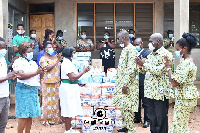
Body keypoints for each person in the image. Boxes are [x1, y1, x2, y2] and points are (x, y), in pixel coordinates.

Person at [135, 33, 173, 133]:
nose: (150, 43)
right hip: (149, 92)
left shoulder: (166, 54)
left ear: (158, 42)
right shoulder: (151, 55)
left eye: (152, 41)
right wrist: (140, 65)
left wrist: (145, 64)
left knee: (161, 118)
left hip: (160, 93)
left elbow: (158, 71)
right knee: (152, 117)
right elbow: (145, 71)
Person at [164, 33, 199, 133]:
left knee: (178, 125)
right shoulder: (190, 60)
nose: (176, 52)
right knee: (182, 124)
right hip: (187, 96)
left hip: (185, 98)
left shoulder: (186, 63)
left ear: (185, 48)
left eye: (177, 49)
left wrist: (168, 68)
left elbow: (175, 83)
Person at [12, 41, 44, 133]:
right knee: (24, 115)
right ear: (23, 53)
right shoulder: (18, 62)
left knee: (30, 115)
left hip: (32, 90)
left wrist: (41, 73)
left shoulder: (33, 63)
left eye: (31, 51)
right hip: (23, 90)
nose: (31, 53)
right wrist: (36, 72)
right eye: (29, 52)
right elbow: (21, 76)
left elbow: (36, 76)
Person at [113, 30, 139, 133]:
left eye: (118, 38)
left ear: (124, 38)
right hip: (122, 83)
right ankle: (126, 127)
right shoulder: (125, 49)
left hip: (127, 85)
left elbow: (131, 69)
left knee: (127, 108)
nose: (118, 40)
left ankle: (131, 130)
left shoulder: (131, 50)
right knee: (123, 107)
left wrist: (126, 85)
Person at [59, 47, 90, 133]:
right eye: (73, 53)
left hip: (71, 87)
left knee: (71, 108)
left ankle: (70, 129)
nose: (74, 55)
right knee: (67, 110)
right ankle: (67, 130)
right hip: (67, 88)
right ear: (69, 54)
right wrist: (83, 71)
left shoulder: (69, 63)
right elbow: (72, 77)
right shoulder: (66, 64)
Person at [39, 41, 61, 126]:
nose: (52, 48)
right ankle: (45, 119)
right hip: (47, 82)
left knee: (55, 102)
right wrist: (57, 61)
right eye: (49, 47)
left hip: (55, 81)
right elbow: (47, 68)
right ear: (45, 49)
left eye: (52, 47)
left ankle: (55, 119)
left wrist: (57, 60)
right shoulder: (43, 58)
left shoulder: (55, 57)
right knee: (47, 101)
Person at [0, 37, 18, 133]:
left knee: (3, 124)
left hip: (5, 95)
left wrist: (10, 66)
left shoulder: (2, 59)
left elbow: (3, 71)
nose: (4, 50)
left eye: (5, 47)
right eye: (1, 48)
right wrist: (7, 77)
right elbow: (5, 76)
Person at [133, 38, 150, 128]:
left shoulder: (147, 54)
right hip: (135, 81)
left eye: (137, 44)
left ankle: (146, 120)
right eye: (135, 44)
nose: (136, 46)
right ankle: (137, 117)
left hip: (144, 81)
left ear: (142, 44)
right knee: (136, 102)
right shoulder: (133, 53)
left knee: (145, 102)